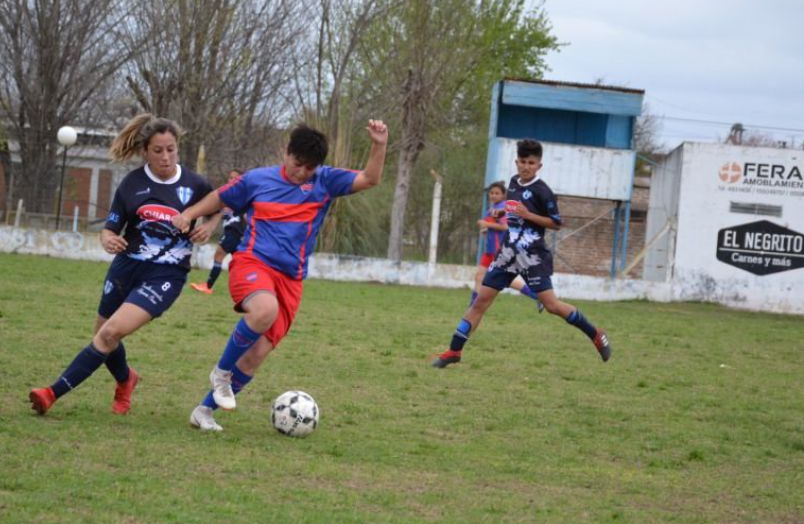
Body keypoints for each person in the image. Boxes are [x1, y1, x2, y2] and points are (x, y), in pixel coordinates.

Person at [173, 120, 389, 432]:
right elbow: (221, 196)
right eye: (297, 164)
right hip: (252, 263)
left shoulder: (324, 182)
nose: (302, 172)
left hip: (291, 279)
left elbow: (370, 178)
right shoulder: (258, 180)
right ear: (286, 153)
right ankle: (221, 374)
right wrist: (190, 214)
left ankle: (204, 411)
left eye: (309, 168)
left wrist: (379, 144)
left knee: (255, 355)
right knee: (264, 310)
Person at [28, 114, 219, 415]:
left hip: (165, 275)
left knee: (108, 334)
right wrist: (106, 239)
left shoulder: (195, 184)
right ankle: (126, 379)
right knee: (105, 333)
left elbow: (222, 204)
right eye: (158, 150)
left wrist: (210, 226)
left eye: (171, 149)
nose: (166, 157)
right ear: (146, 151)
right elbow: (111, 227)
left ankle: (52, 393)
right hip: (125, 268)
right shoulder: (132, 184)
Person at [433, 138, 611, 369]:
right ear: (516, 162)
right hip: (507, 255)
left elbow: (556, 223)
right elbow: (513, 210)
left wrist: (528, 215)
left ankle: (595, 333)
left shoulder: (543, 192)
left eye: (531, 162)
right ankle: (454, 351)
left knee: (552, 306)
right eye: (522, 162)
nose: (526, 166)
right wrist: (502, 216)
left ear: (539, 165)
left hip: (532, 257)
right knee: (480, 302)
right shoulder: (514, 183)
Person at [473, 181, 544, 312]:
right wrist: (485, 230)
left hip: (500, 250)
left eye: (497, 193)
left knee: (506, 280)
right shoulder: (491, 209)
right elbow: (491, 227)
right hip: (490, 250)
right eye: (491, 193)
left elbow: (505, 226)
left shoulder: (503, 208)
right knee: (479, 277)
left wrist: (486, 224)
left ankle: (537, 296)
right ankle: (473, 307)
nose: (493, 195)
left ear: (503, 195)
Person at [189, 169, 246, 294]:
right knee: (240, 261)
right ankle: (248, 286)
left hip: (234, 231)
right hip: (231, 231)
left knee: (219, 254)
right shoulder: (227, 195)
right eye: (230, 177)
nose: (231, 180)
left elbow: (247, 215)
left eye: (235, 178)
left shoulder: (243, 195)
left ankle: (208, 286)